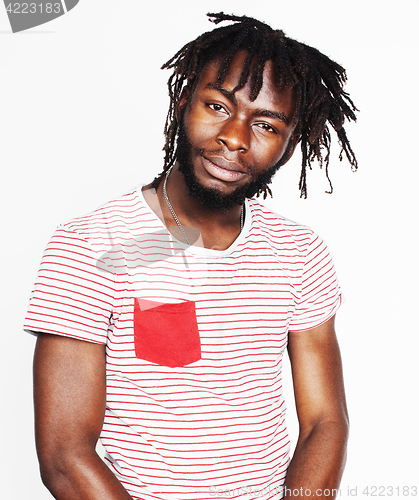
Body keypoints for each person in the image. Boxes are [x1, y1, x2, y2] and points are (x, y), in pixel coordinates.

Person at [24, 12, 357, 500]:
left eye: (266, 124)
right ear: (183, 102)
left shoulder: (298, 253)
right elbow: (64, 455)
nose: (235, 138)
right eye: (218, 106)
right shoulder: (92, 247)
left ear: (290, 146)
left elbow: (325, 422)